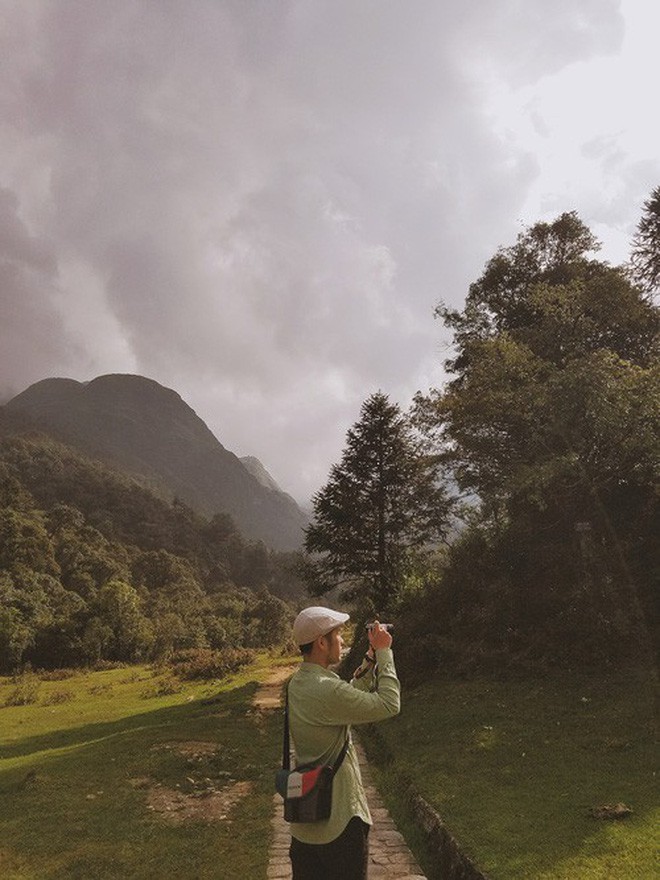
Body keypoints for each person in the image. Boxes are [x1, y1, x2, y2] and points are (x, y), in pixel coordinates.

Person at [286, 605, 400, 880]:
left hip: (304, 827)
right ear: (321, 642)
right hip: (339, 825)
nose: (342, 641)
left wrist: (370, 659)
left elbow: (344, 698)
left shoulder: (298, 683)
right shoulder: (327, 689)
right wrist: (385, 654)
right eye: (338, 635)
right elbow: (389, 704)